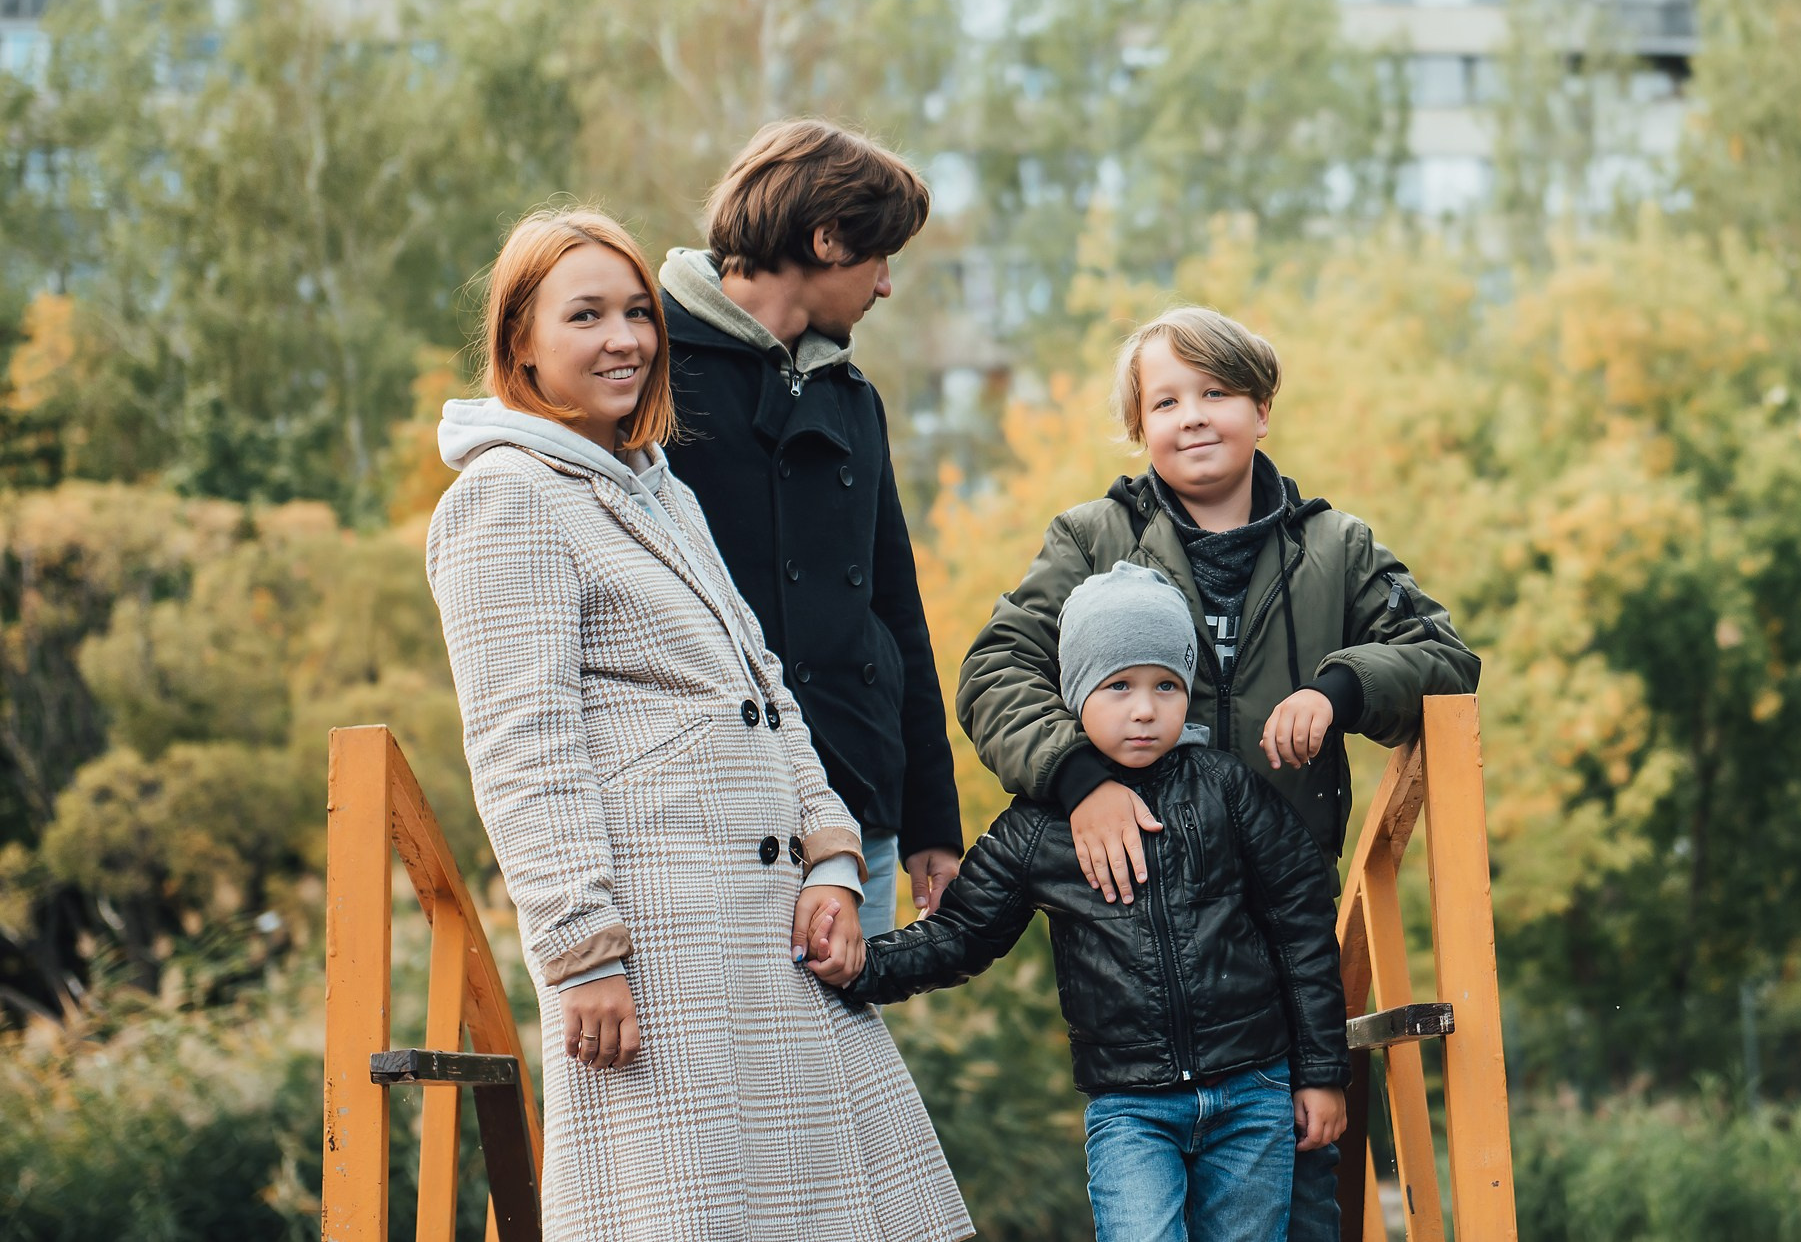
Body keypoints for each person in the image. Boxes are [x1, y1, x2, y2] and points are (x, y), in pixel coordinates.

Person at [426, 208, 971, 1242]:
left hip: (774, 934)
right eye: (584, 315)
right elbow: (520, 749)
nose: (625, 337)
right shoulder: (505, 499)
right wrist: (581, 953)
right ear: (519, 344)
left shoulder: (657, 488)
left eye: (637, 311)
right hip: (659, 948)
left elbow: (764, 683)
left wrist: (832, 859)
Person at [955, 306, 1480, 1242]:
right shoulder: (1090, 540)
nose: (1192, 415)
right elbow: (995, 670)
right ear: (1139, 425)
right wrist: (1079, 779)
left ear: (1262, 409)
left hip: (1283, 933)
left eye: (1217, 391)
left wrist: (1342, 686)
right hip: (1144, 932)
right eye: (1166, 399)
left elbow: (1444, 657)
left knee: (1299, 1195)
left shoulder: (1336, 547)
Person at [832, 561, 1348, 1242]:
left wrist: (1319, 1074)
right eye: (1118, 686)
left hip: (1251, 1091)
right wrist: (859, 964)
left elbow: (1301, 928)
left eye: (1166, 684)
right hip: (1131, 1107)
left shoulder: (1227, 789)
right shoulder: (1036, 829)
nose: (1144, 708)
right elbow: (960, 932)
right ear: (1075, 694)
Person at [655, 120, 963, 939]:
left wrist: (931, 818)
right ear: (826, 238)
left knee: (845, 1056)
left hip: (859, 799)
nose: (887, 285)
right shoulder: (646, 365)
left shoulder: (853, 397)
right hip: (707, 805)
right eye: (878, 257)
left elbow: (895, 605)